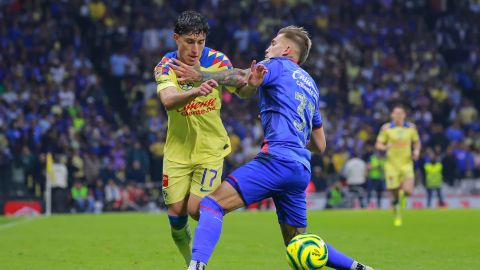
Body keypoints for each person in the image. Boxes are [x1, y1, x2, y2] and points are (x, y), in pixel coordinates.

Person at [176, 25, 374, 270]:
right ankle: (359, 268)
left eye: (273, 43)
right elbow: (320, 144)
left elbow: (240, 77)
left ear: (287, 49)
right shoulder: (311, 85)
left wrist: (200, 75)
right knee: (299, 243)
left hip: (276, 160)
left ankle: (195, 266)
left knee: (211, 205)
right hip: (300, 168)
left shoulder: (277, 65)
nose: (268, 48)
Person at [153, 11, 249, 266]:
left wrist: (204, 77)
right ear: (176, 39)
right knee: (176, 215)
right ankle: (190, 263)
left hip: (210, 148)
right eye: (189, 42)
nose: (195, 49)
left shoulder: (217, 60)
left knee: (197, 210)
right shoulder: (166, 66)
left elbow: (242, 85)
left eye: (200, 42)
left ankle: (197, 263)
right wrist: (196, 92)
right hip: (177, 151)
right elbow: (169, 100)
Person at [375, 104, 421, 226]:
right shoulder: (386, 128)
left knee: (409, 190)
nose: (399, 116)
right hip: (391, 165)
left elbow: (417, 143)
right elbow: (378, 144)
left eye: (401, 113)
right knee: (394, 191)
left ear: (405, 115)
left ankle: (403, 197)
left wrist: (416, 151)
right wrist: (385, 147)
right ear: (392, 115)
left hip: (406, 163)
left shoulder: (411, 128)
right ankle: (397, 212)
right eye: (396, 113)